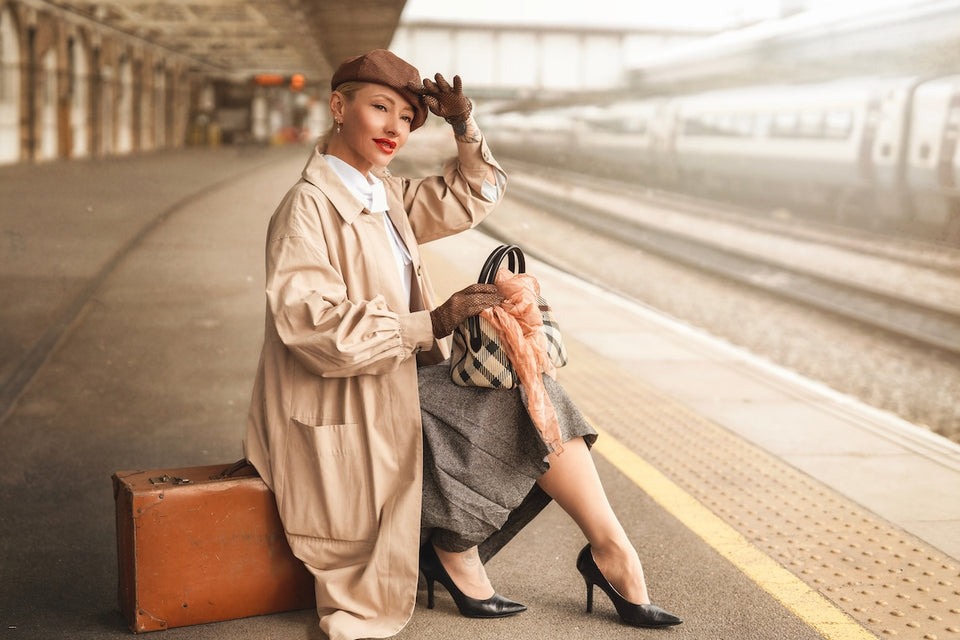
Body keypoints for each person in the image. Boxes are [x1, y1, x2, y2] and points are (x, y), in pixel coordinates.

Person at [243, 49, 681, 640]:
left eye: (406, 117)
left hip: (391, 376)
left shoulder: (383, 196)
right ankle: (537, 551)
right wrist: (434, 322)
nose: (395, 127)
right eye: (380, 108)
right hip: (342, 397)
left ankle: (575, 550)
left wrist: (463, 126)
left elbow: (475, 194)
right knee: (528, 397)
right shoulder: (308, 208)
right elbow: (314, 327)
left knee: (527, 387)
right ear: (338, 107)